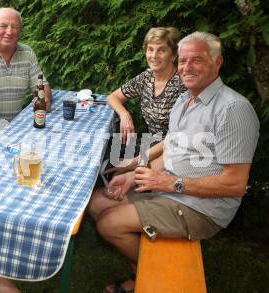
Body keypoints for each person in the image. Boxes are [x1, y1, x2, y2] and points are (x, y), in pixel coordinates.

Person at [88, 31, 259, 293]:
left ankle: (149, 279)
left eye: (197, 60)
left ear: (217, 63)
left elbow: (235, 185)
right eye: (183, 61)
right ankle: (144, 272)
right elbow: (171, 149)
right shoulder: (183, 100)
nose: (187, 67)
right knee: (97, 202)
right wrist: (134, 175)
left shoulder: (233, 109)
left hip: (201, 207)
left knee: (109, 224)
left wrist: (172, 183)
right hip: (169, 187)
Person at [107, 27, 186, 147]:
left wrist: (138, 161)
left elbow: (177, 138)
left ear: (174, 55)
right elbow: (113, 97)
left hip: (171, 153)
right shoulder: (147, 77)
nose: (154, 55)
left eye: (162, 50)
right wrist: (124, 115)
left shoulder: (182, 86)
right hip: (149, 144)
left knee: (114, 164)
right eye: (150, 49)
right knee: (105, 154)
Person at [0, 7, 52, 122]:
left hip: (16, 127)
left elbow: (41, 86)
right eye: (3, 26)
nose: (9, 31)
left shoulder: (27, 53)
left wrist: (45, 99)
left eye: (15, 27)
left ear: (20, 30)